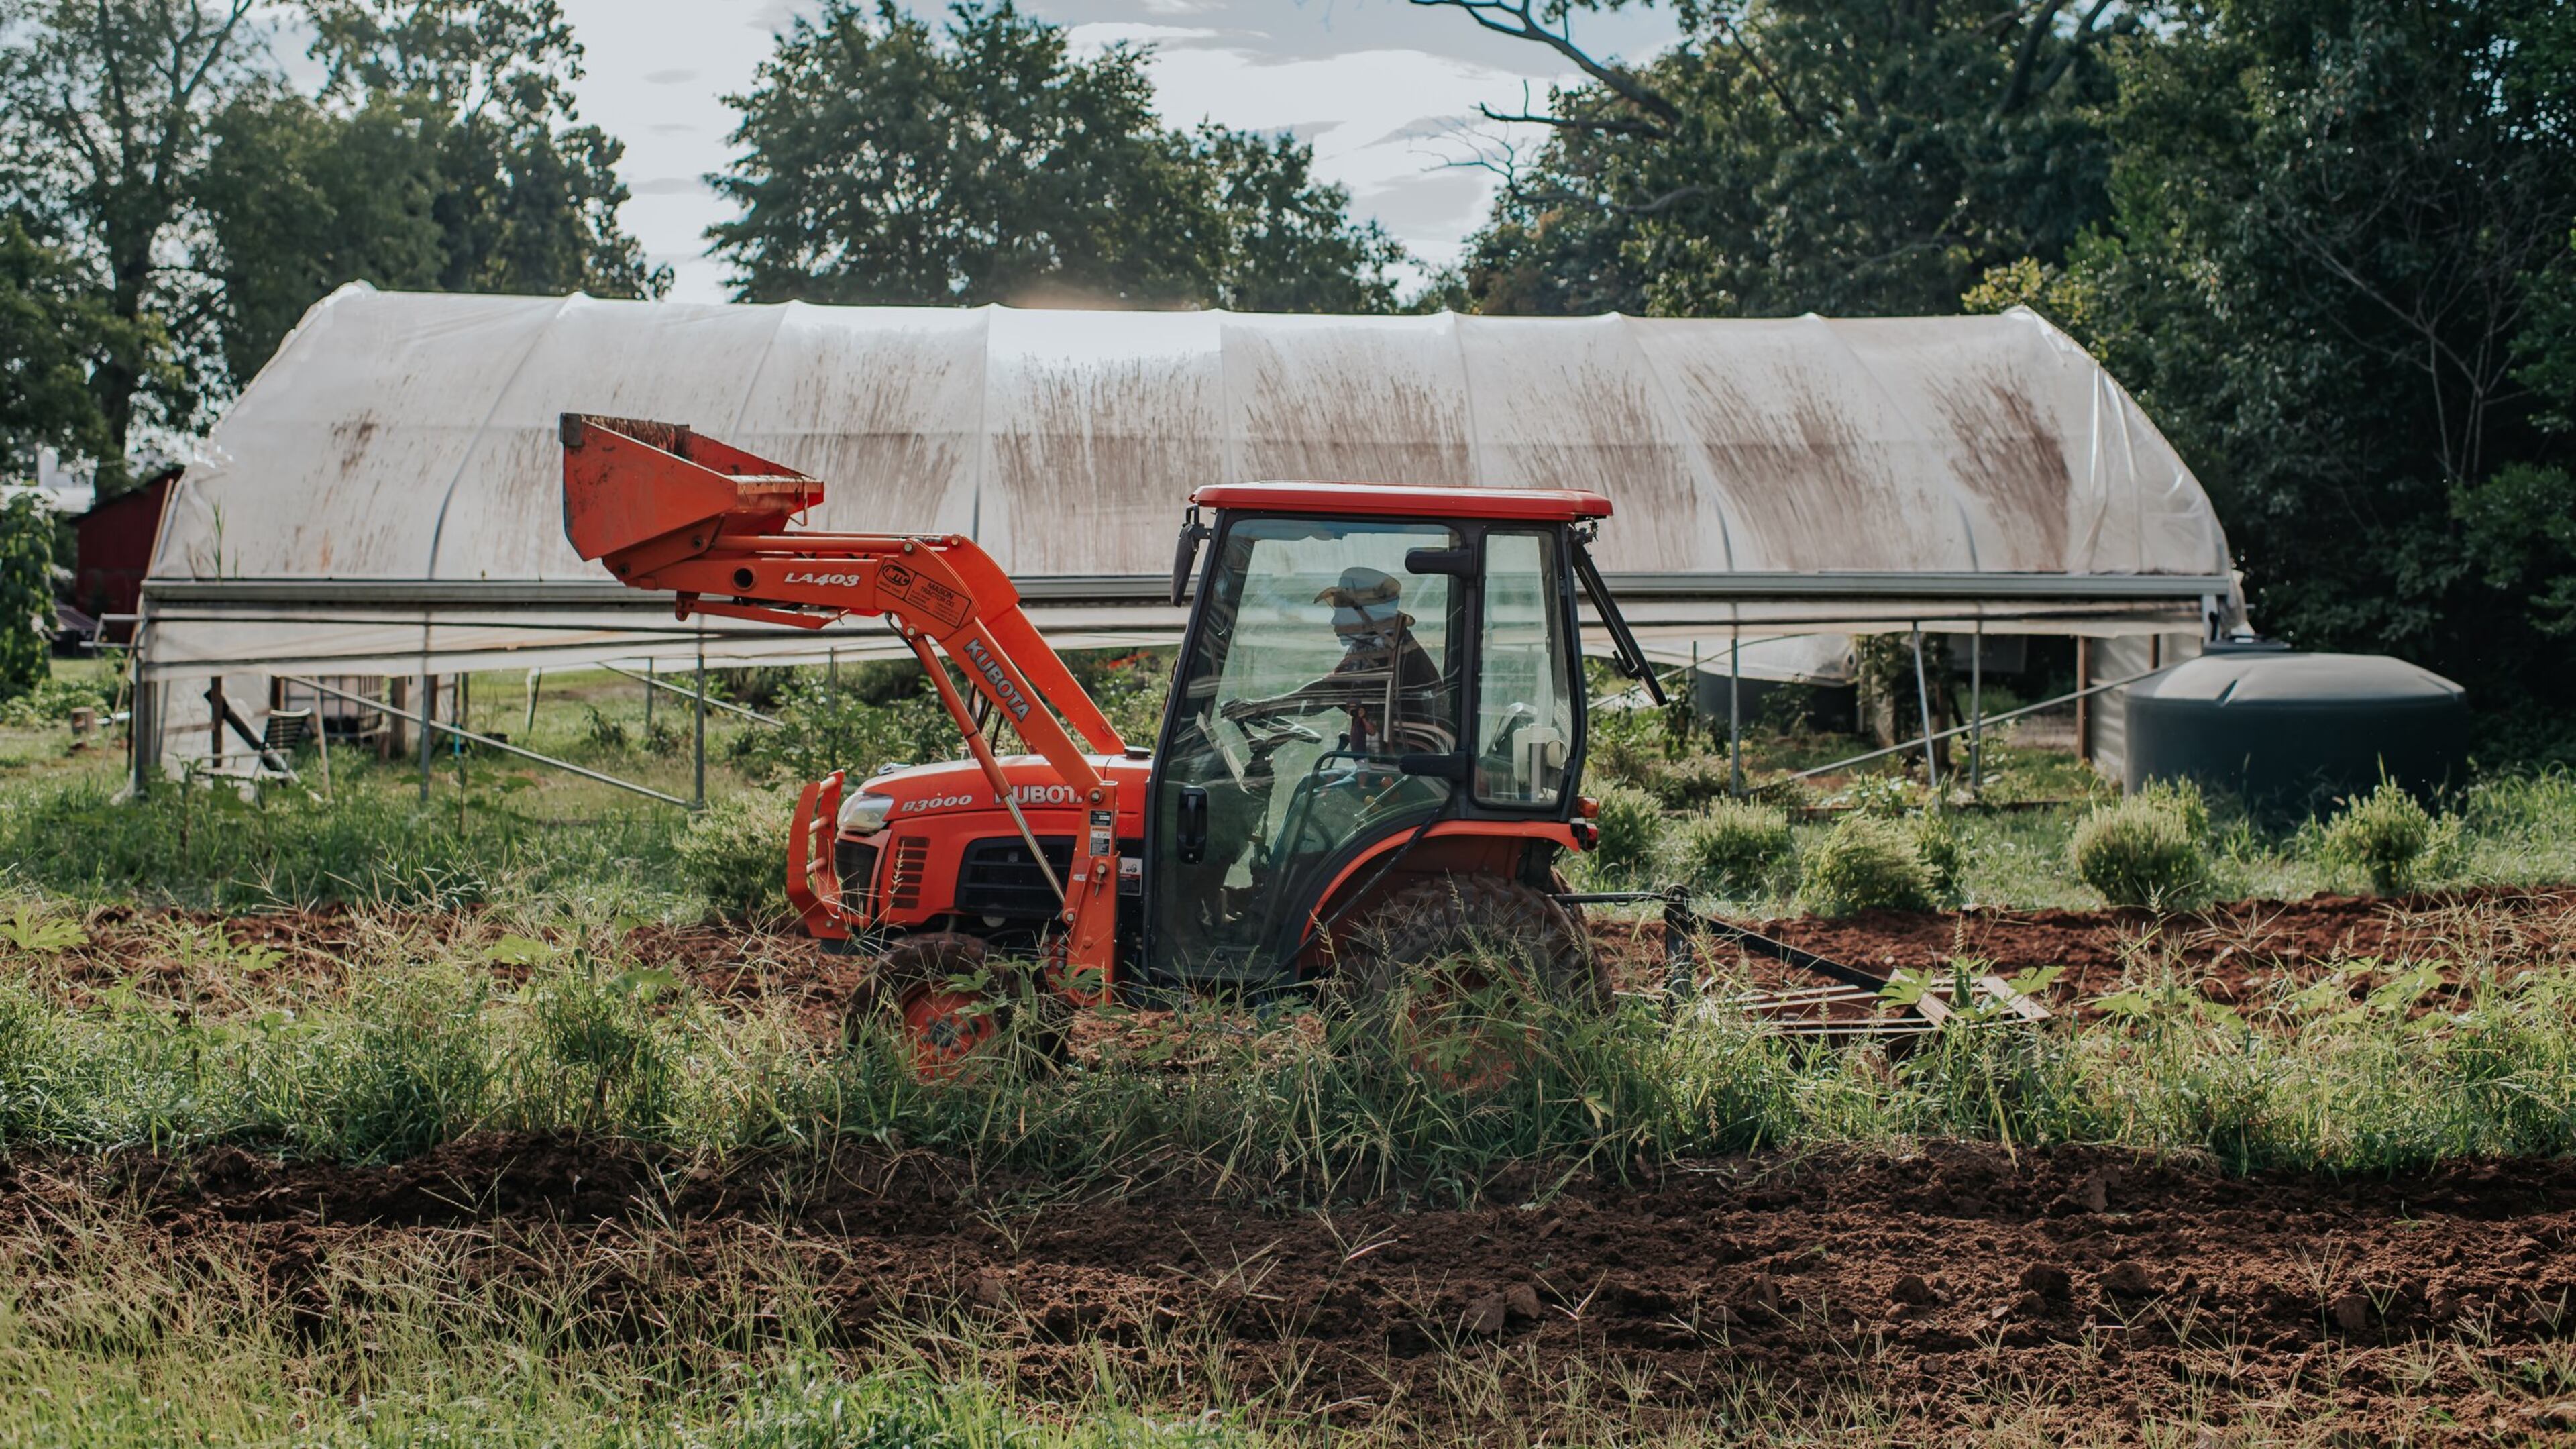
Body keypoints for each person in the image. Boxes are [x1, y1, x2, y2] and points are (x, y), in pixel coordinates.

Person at [1222, 566, 1454, 755]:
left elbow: (1324, 694)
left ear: (1364, 615)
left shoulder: (1384, 650)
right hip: (1396, 767)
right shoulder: (1383, 644)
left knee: (1309, 796)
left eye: (1341, 611)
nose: (1334, 621)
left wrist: (1261, 707)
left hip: (1405, 775)